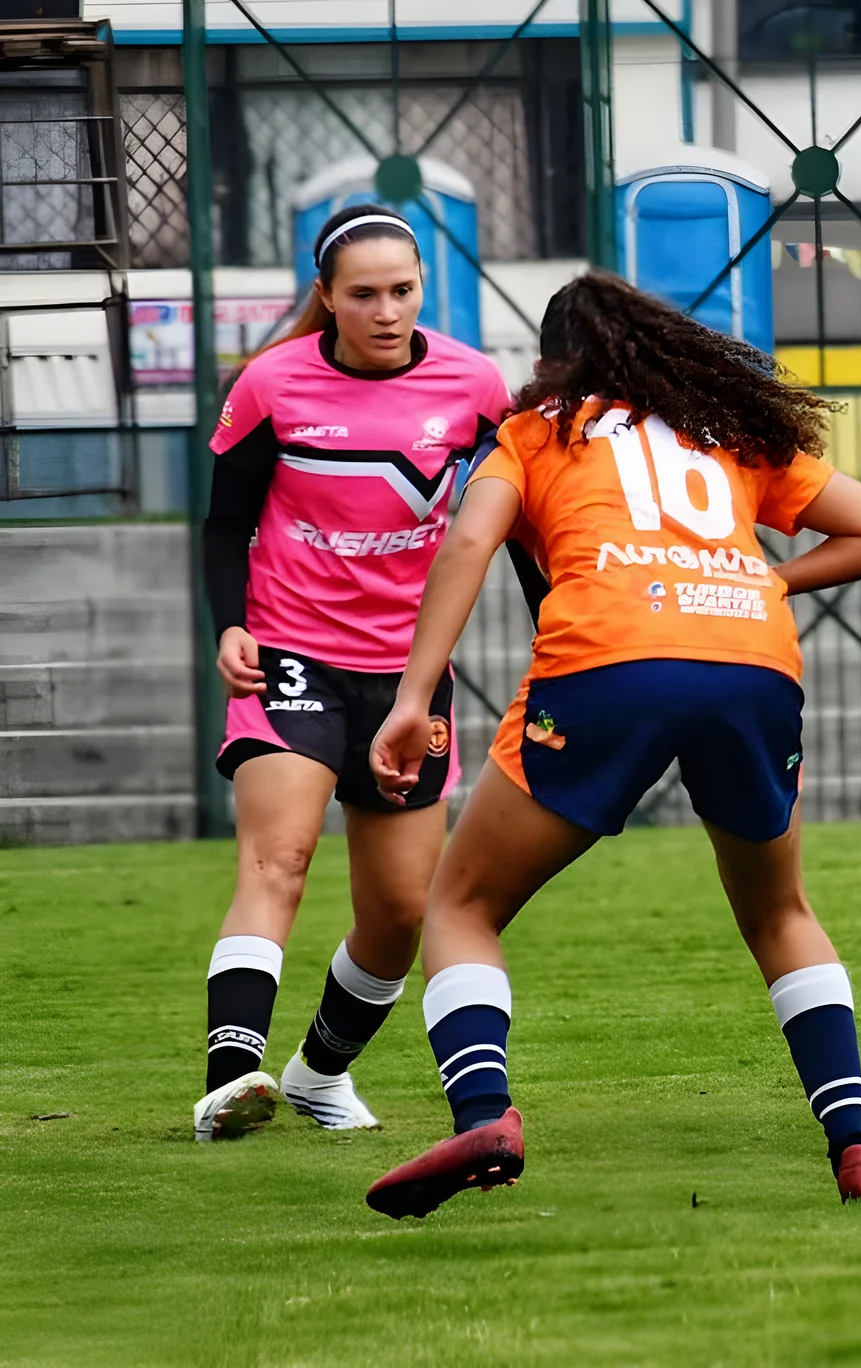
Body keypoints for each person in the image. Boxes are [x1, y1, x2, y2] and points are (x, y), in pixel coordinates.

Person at [360, 273, 861, 1218]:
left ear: (552, 365)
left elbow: (467, 546)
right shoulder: (725, 430)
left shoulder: (538, 432)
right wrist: (768, 587)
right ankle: (856, 1147)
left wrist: (413, 697)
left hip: (608, 662)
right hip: (752, 662)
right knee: (780, 913)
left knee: (461, 902)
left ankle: (486, 1115)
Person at [194, 204, 510, 1142]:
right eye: (363, 294)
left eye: (402, 291)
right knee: (278, 859)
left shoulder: (476, 385)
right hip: (289, 656)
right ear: (326, 297)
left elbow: (514, 524)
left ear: (424, 289)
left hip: (412, 679)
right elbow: (224, 524)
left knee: (402, 914)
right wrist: (231, 625)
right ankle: (230, 1076)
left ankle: (318, 1075)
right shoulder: (272, 383)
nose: (385, 310)